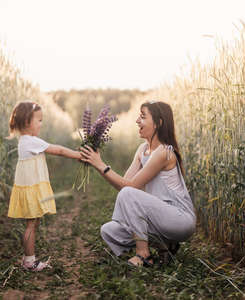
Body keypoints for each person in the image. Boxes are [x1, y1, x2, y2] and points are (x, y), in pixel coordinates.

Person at [80, 101, 196, 267]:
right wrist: (99, 164)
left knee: (128, 193)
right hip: (159, 218)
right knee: (109, 230)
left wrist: (100, 164)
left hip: (179, 220)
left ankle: (143, 255)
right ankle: (165, 246)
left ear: (159, 123)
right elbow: (124, 183)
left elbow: (129, 188)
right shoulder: (142, 150)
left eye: (142, 117)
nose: (137, 121)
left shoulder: (164, 152)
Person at [7, 101, 81, 271]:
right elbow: (59, 151)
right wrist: (79, 155)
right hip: (31, 188)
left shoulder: (26, 140)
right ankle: (29, 262)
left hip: (30, 187)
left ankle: (28, 258)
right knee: (31, 225)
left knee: (32, 223)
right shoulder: (30, 141)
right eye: (39, 120)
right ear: (27, 122)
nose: (41, 124)